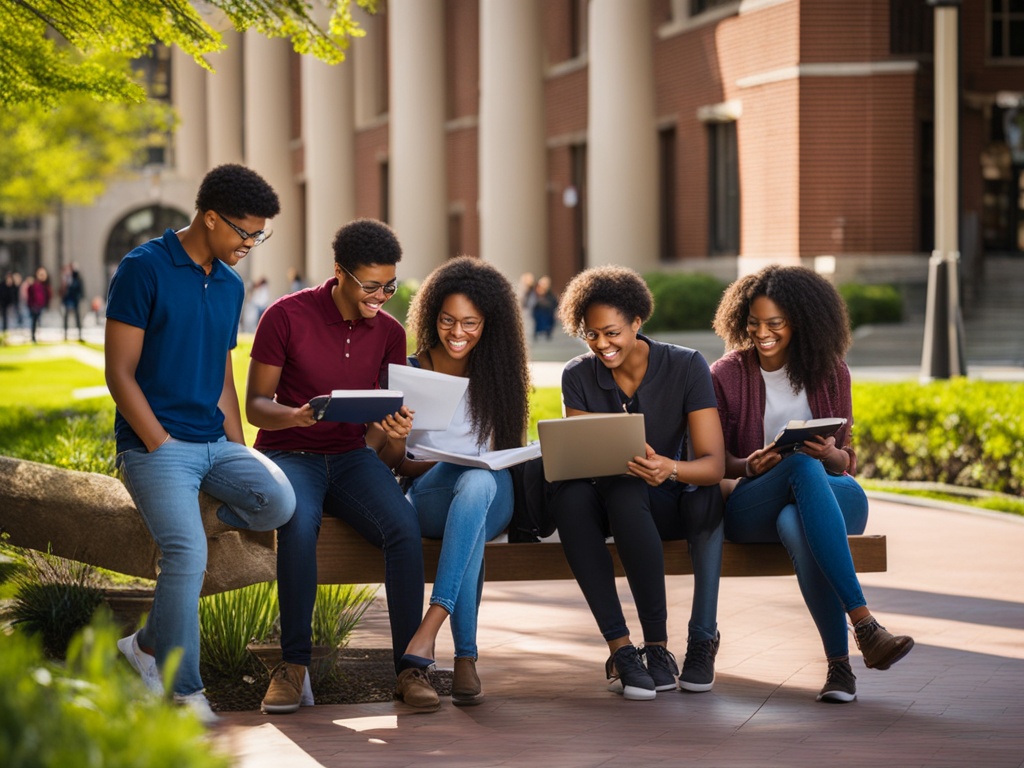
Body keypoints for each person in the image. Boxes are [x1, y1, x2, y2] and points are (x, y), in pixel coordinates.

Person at [105, 164, 296, 722]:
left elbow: (220, 378)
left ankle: (142, 646)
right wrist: (159, 443)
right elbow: (120, 374)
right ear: (210, 218)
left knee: (278, 501)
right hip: (153, 447)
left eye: (259, 235)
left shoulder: (231, 285)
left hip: (212, 443)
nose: (251, 245)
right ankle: (182, 689)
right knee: (186, 551)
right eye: (245, 232)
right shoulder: (144, 269)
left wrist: (242, 453)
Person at [246, 218, 431, 714]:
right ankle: (294, 666)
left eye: (389, 285)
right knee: (300, 525)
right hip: (289, 453)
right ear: (340, 273)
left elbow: (381, 422)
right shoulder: (285, 316)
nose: (381, 296)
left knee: (403, 526)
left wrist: (392, 432)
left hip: (351, 456)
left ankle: (409, 668)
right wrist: (297, 415)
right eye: (370, 285)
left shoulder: (391, 333)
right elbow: (255, 406)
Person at [710, 264, 914, 704]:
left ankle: (841, 670)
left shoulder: (831, 372)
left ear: (799, 322)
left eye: (775, 324)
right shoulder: (726, 375)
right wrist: (749, 464)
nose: (763, 333)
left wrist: (829, 454)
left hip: (829, 495)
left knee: (797, 515)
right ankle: (864, 627)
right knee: (799, 472)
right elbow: (713, 459)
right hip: (752, 502)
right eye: (754, 323)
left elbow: (846, 459)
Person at [552, 265, 726, 701]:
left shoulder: (685, 366)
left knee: (630, 488)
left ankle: (657, 649)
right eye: (590, 335)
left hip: (661, 502)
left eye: (611, 333)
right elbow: (580, 454)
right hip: (599, 502)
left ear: (637, 322)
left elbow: (712, 466)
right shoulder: (577, 374)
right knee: (570, 496)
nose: (602, 345)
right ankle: (621, 649)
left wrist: (670, 468)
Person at [384, 255, 531, 707]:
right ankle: (464, 658)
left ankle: (429, 629)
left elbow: (509, 453)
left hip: (492, 498)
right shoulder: (411, 369)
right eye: (447, 320)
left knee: (480, 483)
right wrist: (398, 439)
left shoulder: (501, 375)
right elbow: (395, 463)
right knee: (472, 485)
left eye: (471, 322)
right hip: (429, 494)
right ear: (433, 316)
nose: (457, 332)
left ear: (490, 323)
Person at [26, 266, 51, 343]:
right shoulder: (34, 285)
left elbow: (48, 295)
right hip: (35, 306)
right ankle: (34, 336)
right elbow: (30, 295)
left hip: (42, 305)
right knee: (34, 321)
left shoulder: (45, 285)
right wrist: (31, 305)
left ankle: (39, 335)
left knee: (40, 321)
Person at [61, 263, 85, 341]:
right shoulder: (67, 279)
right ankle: (65, 335)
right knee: (66, 318)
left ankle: (79, 335)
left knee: (77, 318)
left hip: (75, 300)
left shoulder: (77, 278)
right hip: (68, 300)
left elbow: (80, 289)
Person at [531, 275, 557, 341]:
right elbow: (532, 303)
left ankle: (547, 333)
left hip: (548, 314)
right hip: (539, 314)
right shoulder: (535, 293)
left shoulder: (550, 294)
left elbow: (554, 302)